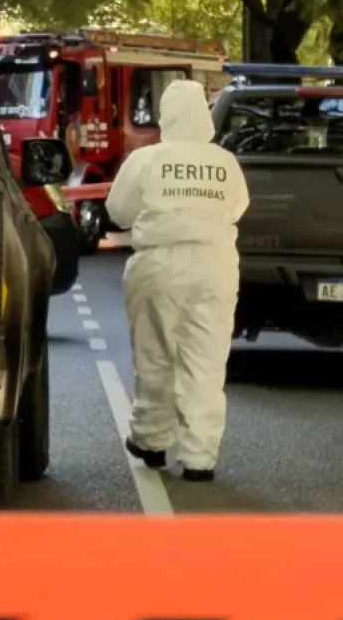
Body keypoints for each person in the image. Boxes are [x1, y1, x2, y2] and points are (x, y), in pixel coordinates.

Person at [105, 79, 250, 482]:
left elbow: (118, 211)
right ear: (203, 117)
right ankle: (200, 458)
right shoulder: (225, 162)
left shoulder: (147, 160)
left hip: (158, 264)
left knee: (155, 355)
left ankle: (151, 441)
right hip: (215, 265)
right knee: (206, 359)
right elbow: (237, 208)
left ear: (167, 117)